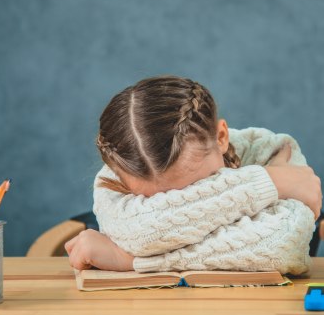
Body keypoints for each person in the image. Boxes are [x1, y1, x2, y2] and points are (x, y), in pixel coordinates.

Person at [65, 76, 322, 274]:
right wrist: (267, 182)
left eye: (202, 186)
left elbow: (282, 245)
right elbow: (139, 231)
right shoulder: (119, 169)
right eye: (158, 201)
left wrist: (133, 260)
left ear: (221, 137)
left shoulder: (273, 151)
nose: (186, 199)